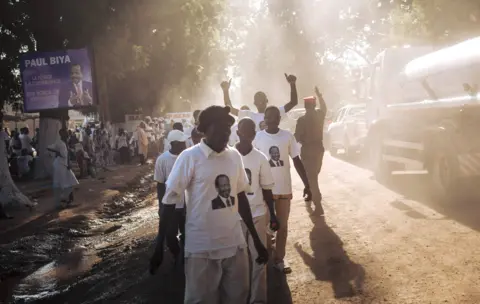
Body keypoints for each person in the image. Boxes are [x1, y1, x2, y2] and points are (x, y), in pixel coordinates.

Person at [150, 106, 268, 304]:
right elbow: (169, 203)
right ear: (204, 129)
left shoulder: (233, 157)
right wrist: (159, 246)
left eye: (228, 129)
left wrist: (256, 240)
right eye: (221, 128)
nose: (226, 134)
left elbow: (240, 197)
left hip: (234, 247)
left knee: (238, 299)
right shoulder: (189, 158)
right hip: (201, 251)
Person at [253, 105, 312, 274]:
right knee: (265, 228)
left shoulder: (287, 136)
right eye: (267, 117)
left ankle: (279, 259)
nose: (270, 120)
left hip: (284, 189)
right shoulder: (258, 138)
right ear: (264, 119)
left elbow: (296, 160)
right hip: (265, 191)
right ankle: (266, 257)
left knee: (283, 227)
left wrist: (307, 184)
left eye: (273, 117)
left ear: (279, 118)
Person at [235, 117, 280, 304]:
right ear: (237, 133)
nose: (248, 135)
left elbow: (267, 190)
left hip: (257, 215)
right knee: (238, 263)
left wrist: (273, 214)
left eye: (251, 131)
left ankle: (257, 300)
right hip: (235, 218)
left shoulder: (260, 158)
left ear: (255, 134)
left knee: (259, 259)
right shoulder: (229, 157)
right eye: (244, 131)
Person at [154, 129, 188, 262]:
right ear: (174, 143)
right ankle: (176, 254)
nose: (184, 145)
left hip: (187, 205)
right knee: (170, 235)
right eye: (182, 143)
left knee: (188, 233)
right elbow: (160, 184)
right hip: (171, 206)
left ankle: (185, 259)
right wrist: (161, 206)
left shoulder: (188, 157)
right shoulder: (162, 160)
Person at [221, 74, 298, 131]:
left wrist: (292, 84)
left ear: (267, 101)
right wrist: (225, 91)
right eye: (258, 101)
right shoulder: (249, 116)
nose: (261, 103)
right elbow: (229, 108)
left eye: (262, 101)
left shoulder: (275, 112)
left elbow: (293, 102)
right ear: (254, 103)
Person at [295, 87, 328, 215]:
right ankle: (311, 192)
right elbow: (324, 108)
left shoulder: (302, 120)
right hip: (319, 149)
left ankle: (318, 205)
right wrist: (320, 96)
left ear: (305, 106)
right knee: (314, 175)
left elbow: (297, 137)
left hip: (307, 151)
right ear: (314, 105)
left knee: (312, 177)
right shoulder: (320, 115)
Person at [47, 128, 79, 209]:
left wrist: (68, 162)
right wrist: (57, 152)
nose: (68, 135)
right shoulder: (60, 142)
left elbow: (66, 155)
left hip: (64, 164)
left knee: (71, 181)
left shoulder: (65, 142)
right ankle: (60, 202)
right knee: (60, 183)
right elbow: (49, 147)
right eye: (66, 134)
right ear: (62, 135)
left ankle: (67, 200)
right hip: (60, 165)